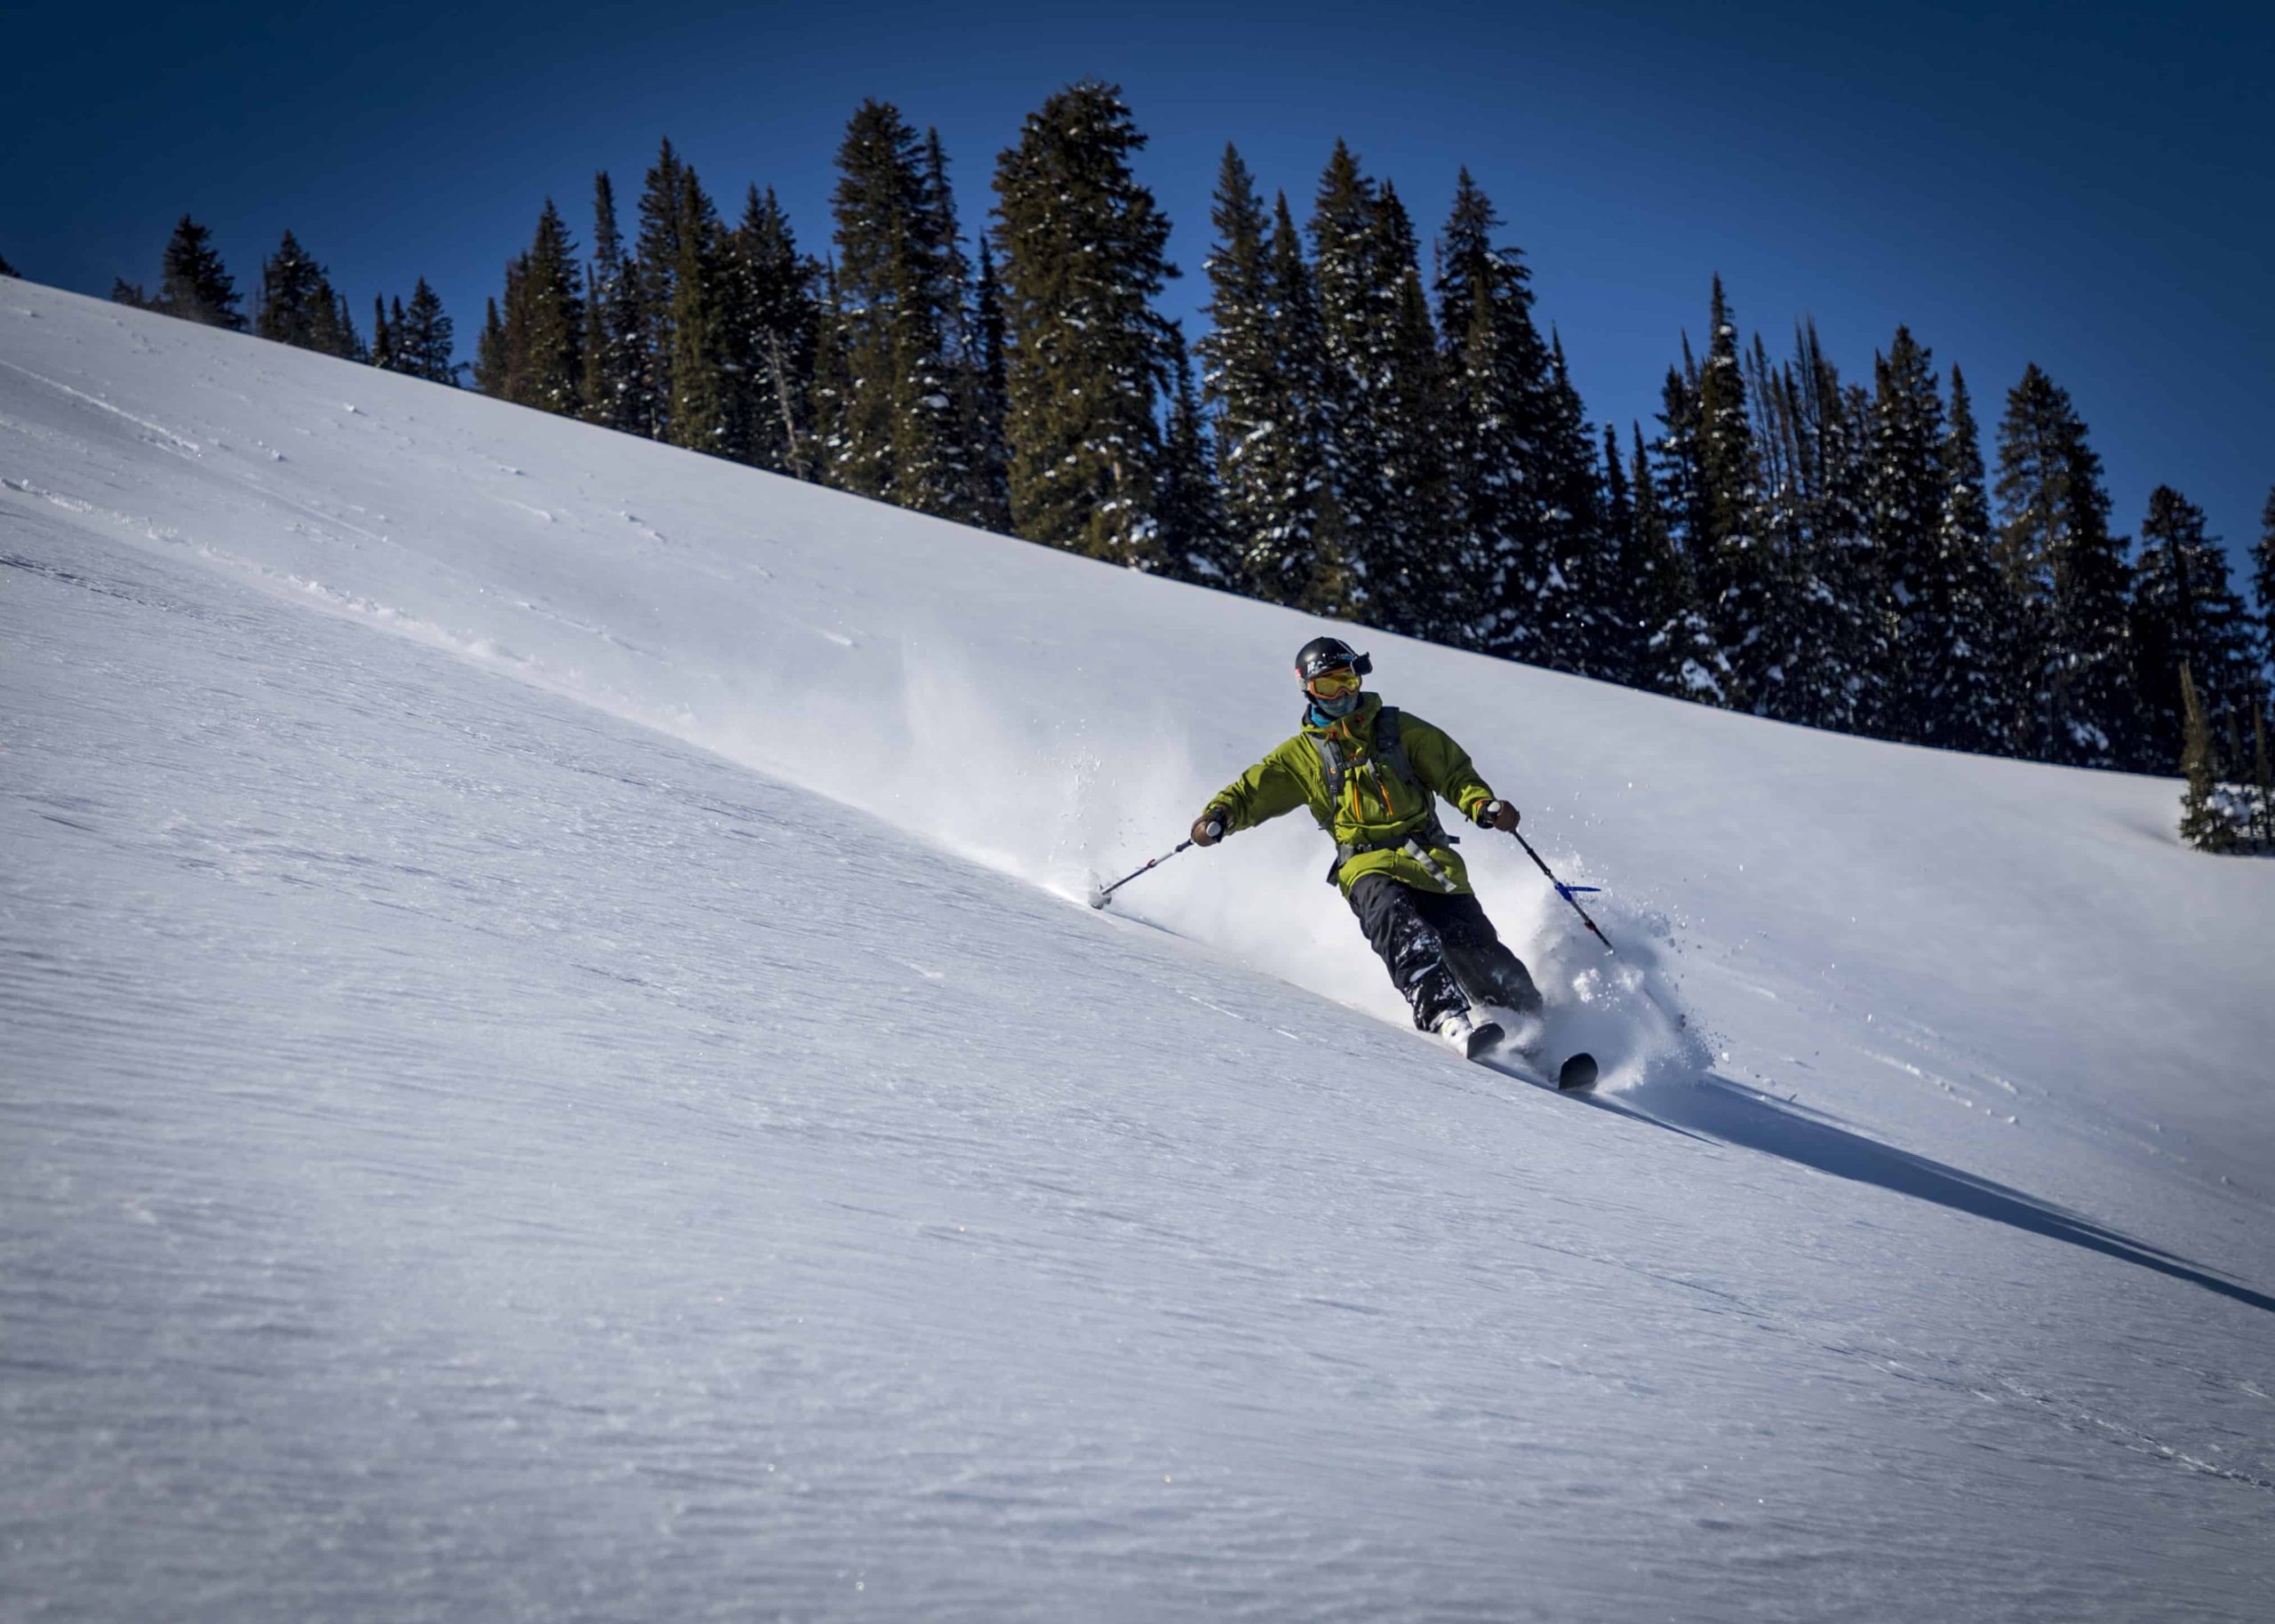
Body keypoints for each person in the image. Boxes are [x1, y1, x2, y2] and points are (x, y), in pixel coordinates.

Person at [1193, 636, 1543, 1057]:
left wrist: (1483, 804)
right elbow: (1254, 791)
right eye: (1328, 687)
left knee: (1475, 946)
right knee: (1395, 918)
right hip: (1365, 864)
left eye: (1347, 681)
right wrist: (1219, 816)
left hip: (1430, 860)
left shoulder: (1400, 730)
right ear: (1309, 691)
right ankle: (1446, 1016)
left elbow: (1454, 773)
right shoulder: (1303, 756)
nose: (1341, 695)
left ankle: (1536, 1032)